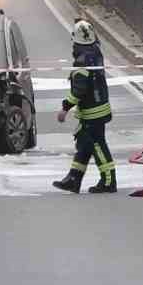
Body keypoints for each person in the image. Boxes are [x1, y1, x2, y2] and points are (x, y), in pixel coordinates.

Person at [53, 20, 116, 194]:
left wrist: (65, 108)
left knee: (97, 145)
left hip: (92, 112)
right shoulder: (96, 54)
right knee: (84, 143)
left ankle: (109, 181)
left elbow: (79, 90)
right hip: (99, 107)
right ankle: (73, 178)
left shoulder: (81, 62)